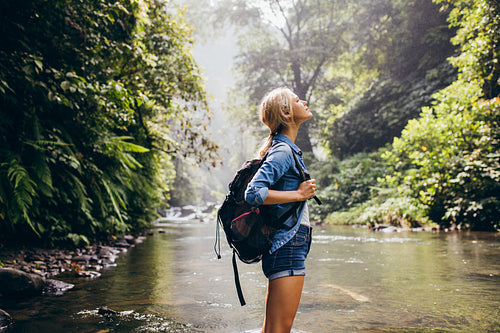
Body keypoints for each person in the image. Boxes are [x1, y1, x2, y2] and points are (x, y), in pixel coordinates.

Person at [245, 87, 317, 333]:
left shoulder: (285, 148)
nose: (304, 101)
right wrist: (298, 194)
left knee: (273, 329)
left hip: (285, 244)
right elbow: (253, 193)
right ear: (286, 112)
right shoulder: (283, 150)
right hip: (287, 245)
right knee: (280, 329)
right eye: (298, 100)